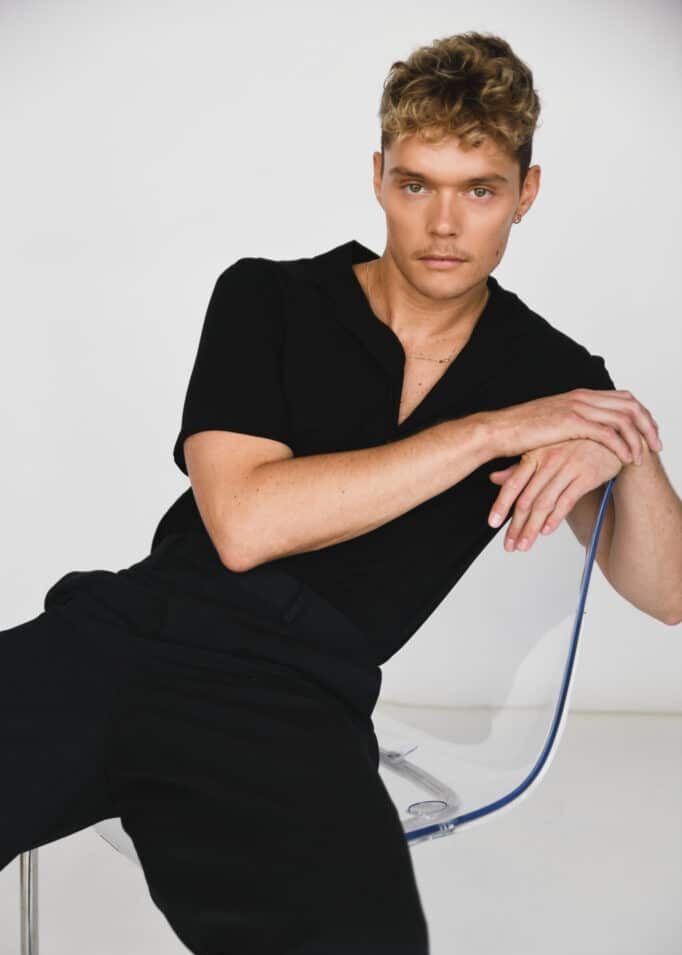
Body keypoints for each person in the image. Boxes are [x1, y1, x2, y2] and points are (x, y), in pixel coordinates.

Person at [3, 30, 680, 955]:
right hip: (127, 633)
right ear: (377, 179)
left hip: (295, 700)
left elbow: (667, 592)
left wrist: (624, 441)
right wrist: (488, 431)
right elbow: (245, 525)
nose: (444, 225)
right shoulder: (267, 299)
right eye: (416, 185)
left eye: (480, 190)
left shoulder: (557, 381)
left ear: (526, 192)